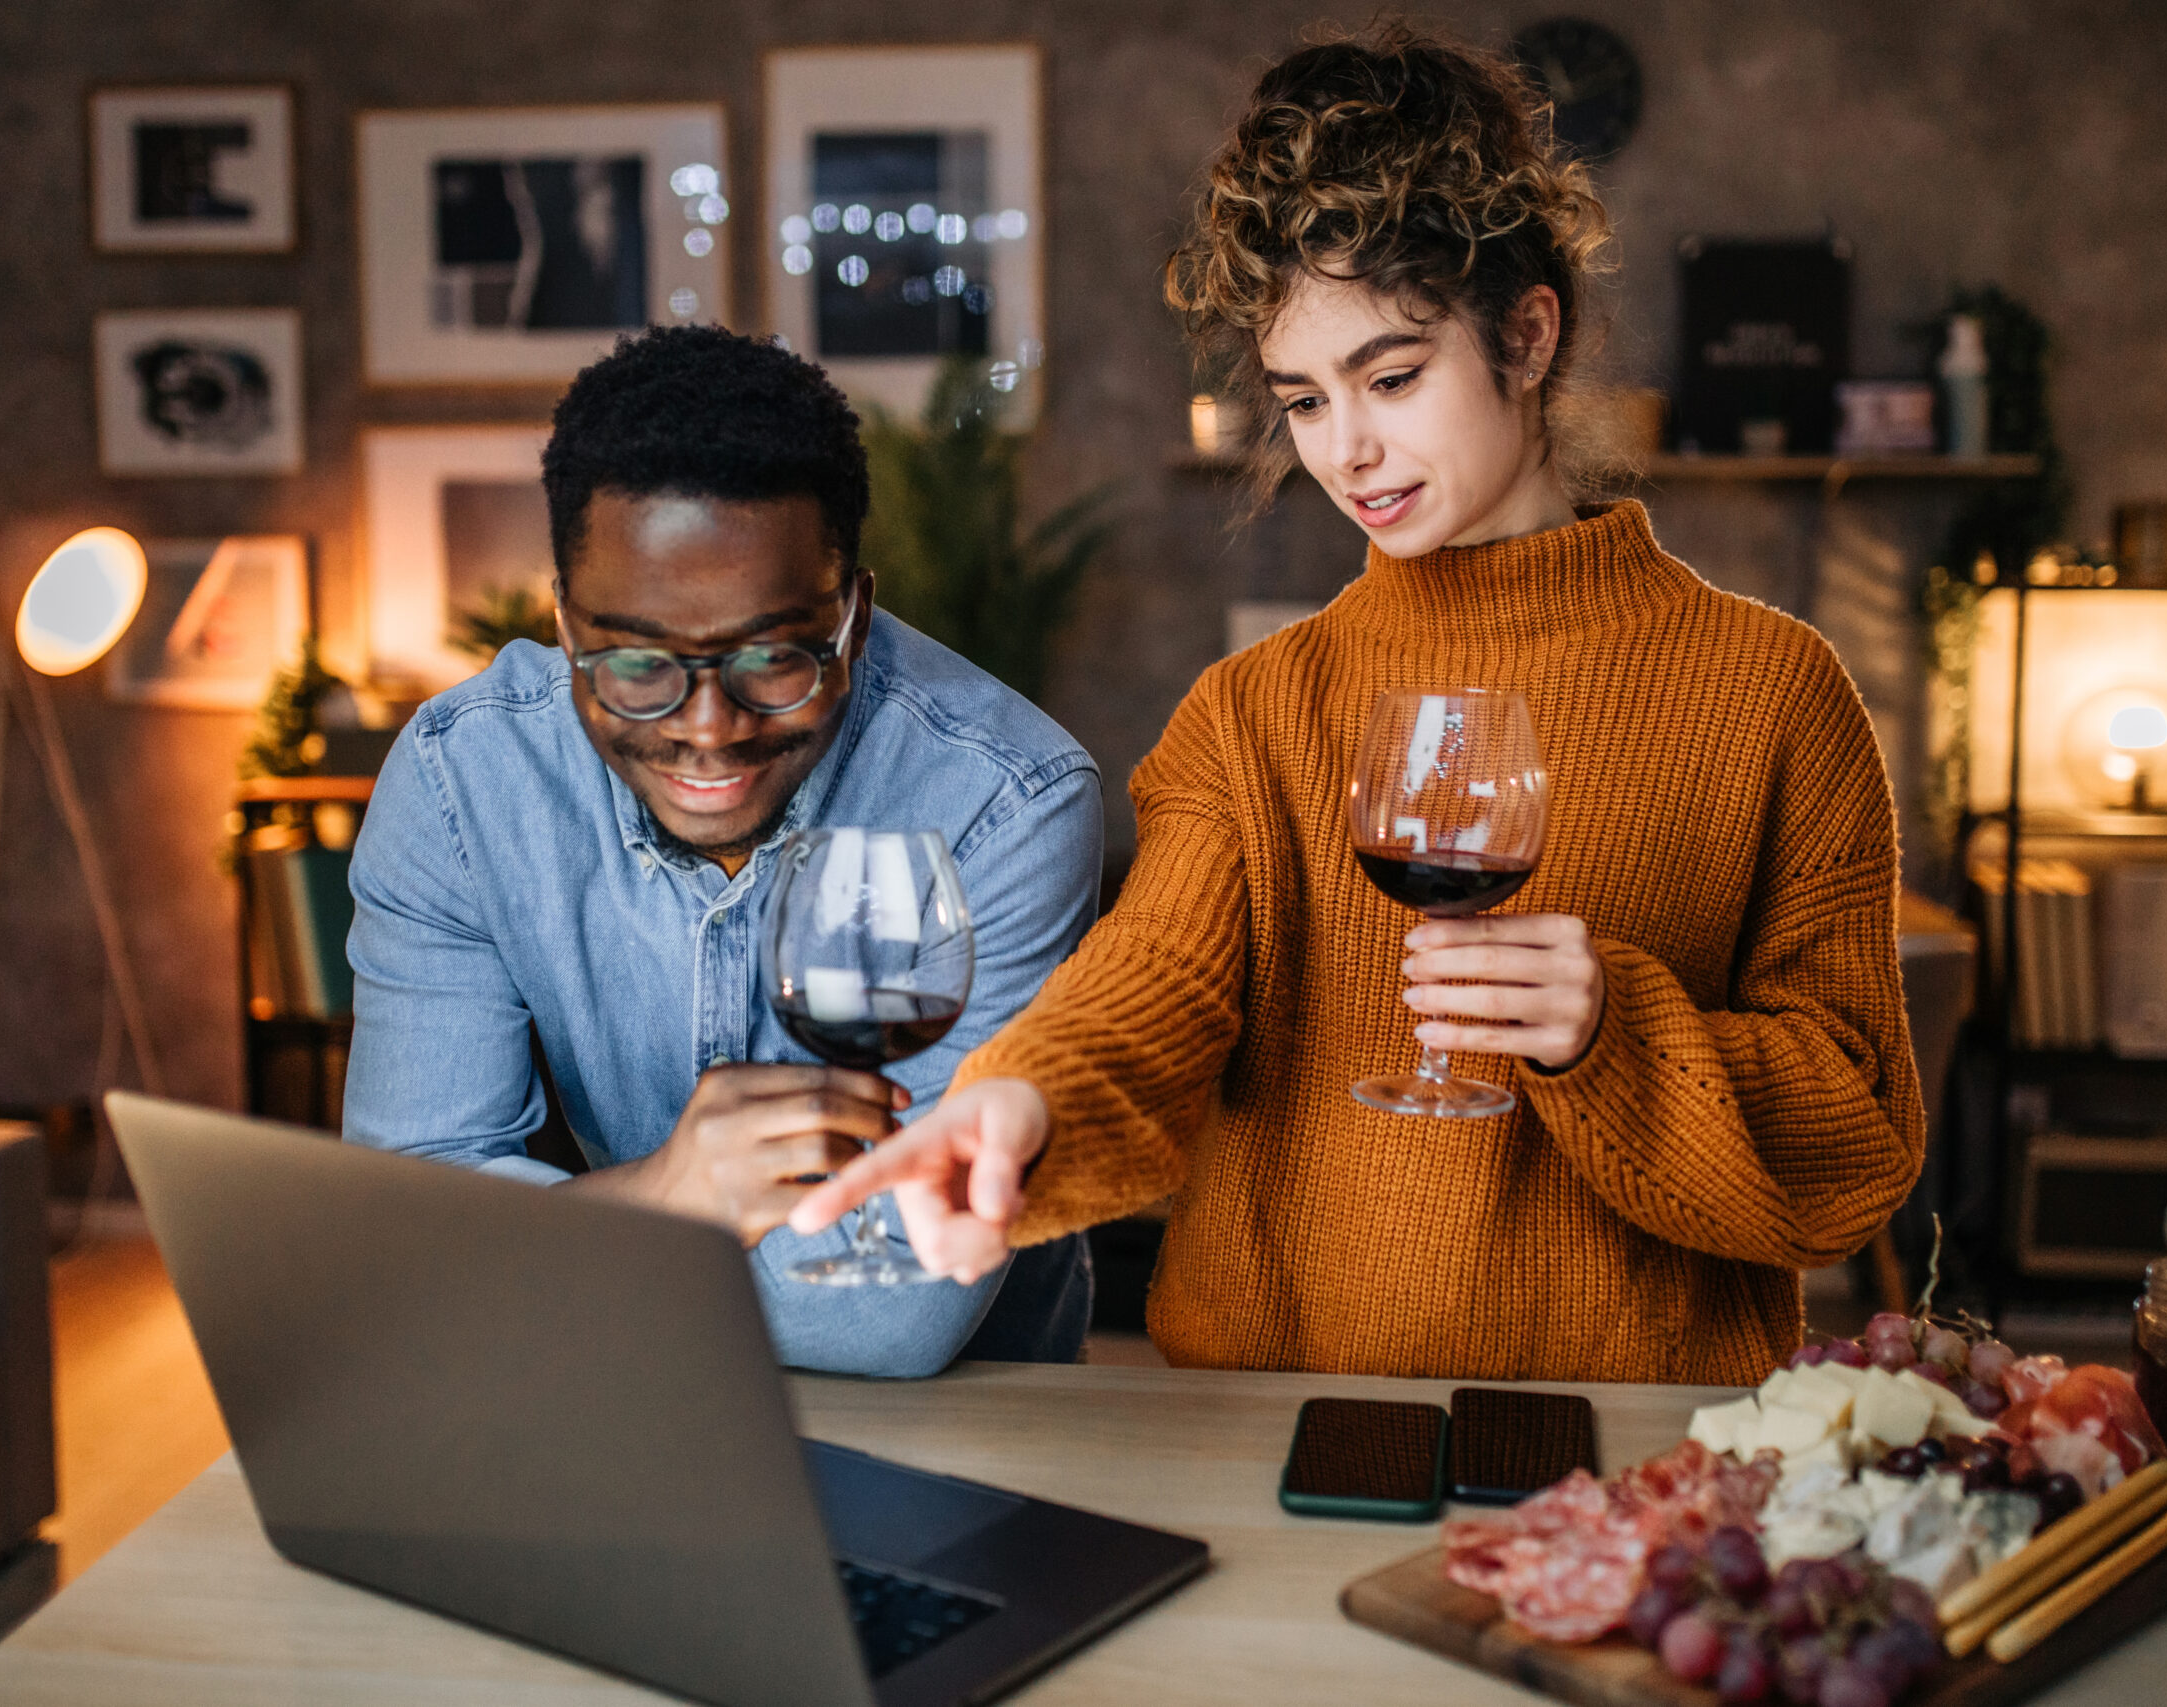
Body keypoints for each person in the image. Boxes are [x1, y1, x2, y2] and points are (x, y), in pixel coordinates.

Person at [794, 26, 1925, 1387]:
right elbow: (1151, 991)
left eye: (1392, 377)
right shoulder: (1251, 710)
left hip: (1638, 1448)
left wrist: (1612, 1032)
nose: (1350, 450)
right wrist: (1016, 1103)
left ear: (1528, 331)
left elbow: (1857, 1146)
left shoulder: (1774, 691)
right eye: (1305, 399)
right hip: (1279, 1433)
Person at [344, 325, 1100, 1377]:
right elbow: (405, 1226)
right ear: (565, 627)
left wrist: (537, 1251)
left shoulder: (1004, 802)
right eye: (641, 663)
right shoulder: (462, 782)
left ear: (856, 618)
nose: (709, 728)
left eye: (775, 657)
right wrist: (665, 1195)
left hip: (970, 1424)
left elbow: (893, 1314)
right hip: (614, 1398)